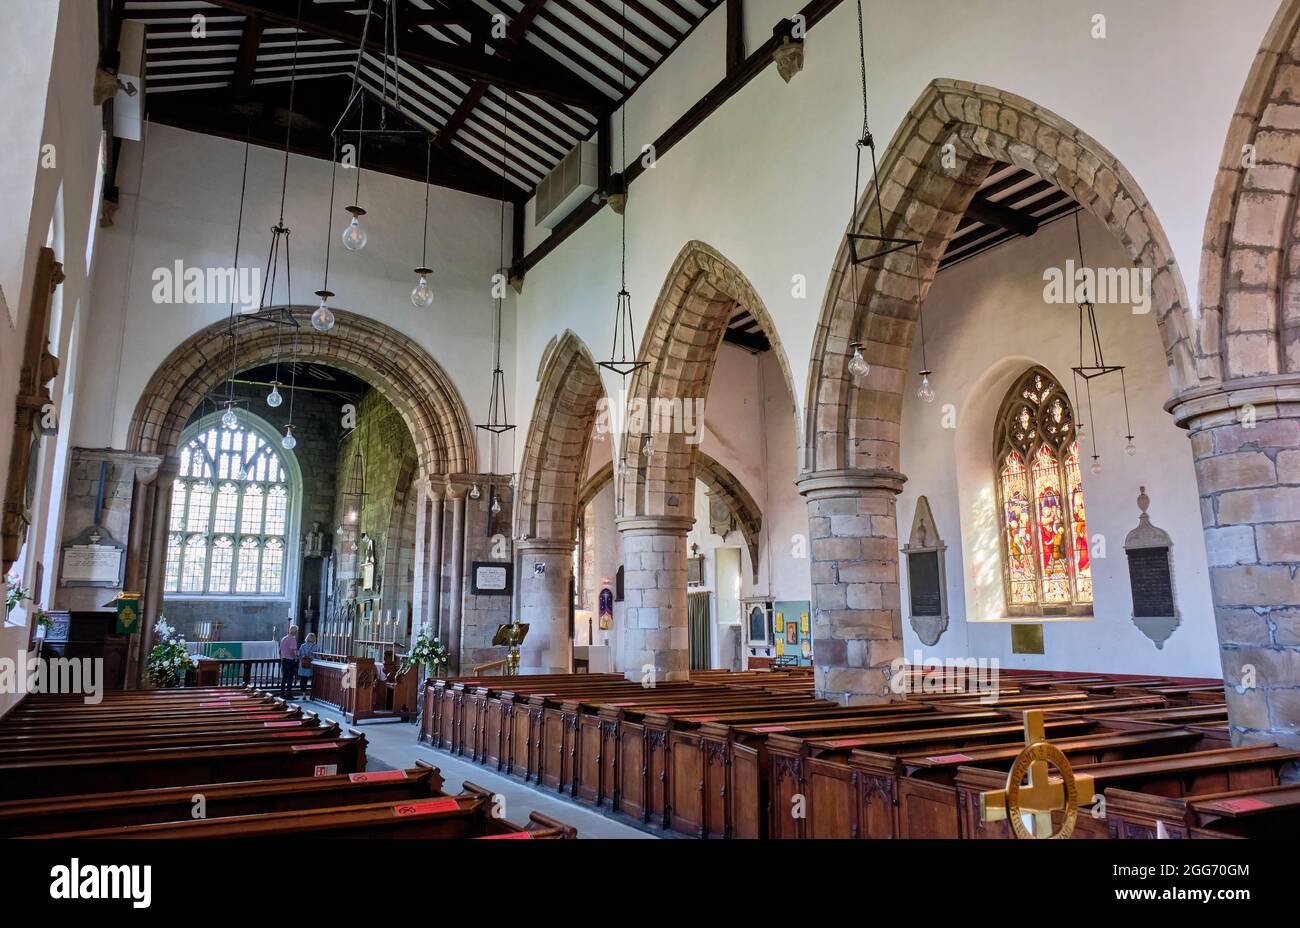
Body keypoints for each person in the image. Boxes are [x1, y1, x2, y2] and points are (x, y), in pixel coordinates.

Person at [279, 625, 299, 698]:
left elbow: (280, 650)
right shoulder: (292, 639)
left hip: (283, 660)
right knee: (290, 678)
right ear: (295, 631)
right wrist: (296, 657)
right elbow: (293, 650)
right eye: (297, 631)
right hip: (290, 660)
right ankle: (289, 694)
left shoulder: (284, 638)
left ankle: (282, 694)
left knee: (284, 678)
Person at [297, 632, 318, 699]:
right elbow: (317, 656)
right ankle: (313, 694)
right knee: (313, 680)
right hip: (311, 665)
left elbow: (299, 655)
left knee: (303, 680)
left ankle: (304, 695)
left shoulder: (303, 646)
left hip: (303, 665)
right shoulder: (315, 646)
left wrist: (303, 659)